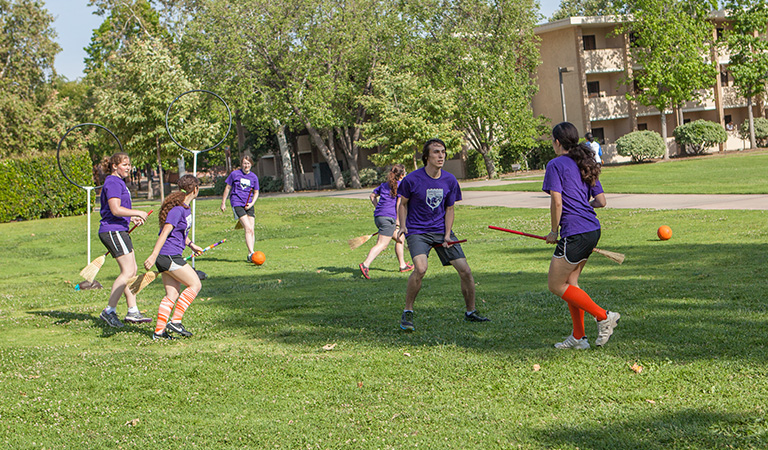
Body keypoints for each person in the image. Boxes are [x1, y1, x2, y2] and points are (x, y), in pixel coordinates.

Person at [397, 138, 489, 331]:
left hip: (441, 231)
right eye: (436, 152)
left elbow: (449, 209)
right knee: (420, 269)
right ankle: (408, 312)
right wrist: (403, 226)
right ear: (426, 156)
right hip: (418, 231)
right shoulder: (411, 179)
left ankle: (470, 312)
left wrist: (448, 235)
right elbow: (402, 203)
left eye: (443, 152)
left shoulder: (449, 180)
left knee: (465, 270)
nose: (441, 156)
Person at [544, 122, 619, 349]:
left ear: (557, 142)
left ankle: (603, 316)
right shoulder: (585, 162)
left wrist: (554, 231)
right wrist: (582, 205)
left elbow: (557, 201)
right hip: (592, 229)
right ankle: (579, 338)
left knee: (556, 285)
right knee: (571, 282)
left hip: (574, 231)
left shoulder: (555, 164)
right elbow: (601, 202)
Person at [144, 175, 205, 340]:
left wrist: (191, 245)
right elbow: (165, 232)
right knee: (195, 284)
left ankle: (158, 332)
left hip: (169, 256)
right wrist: (153, 255)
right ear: (195, 189)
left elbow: (180, 232)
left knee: (171, 295)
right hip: (168, 256)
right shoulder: (177, 210)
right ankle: (176, 321)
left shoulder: (185, 209)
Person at [98, 153, 151, 327]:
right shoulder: (112, 182)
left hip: (120, 229)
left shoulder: (119, 182)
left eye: (129, 165)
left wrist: (131, 219)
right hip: (112, 231)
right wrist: (137, 212)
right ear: (114, 166)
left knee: (132, 270)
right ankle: (109, 311)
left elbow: (120, 211)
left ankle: (133, 311)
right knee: (127, 272)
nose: (128, 167)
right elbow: (115, 209)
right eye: (125, 164)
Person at [359, 164, 413, 279]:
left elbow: (372, 196)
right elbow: (399, 204)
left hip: (379, 217)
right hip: (389, 218)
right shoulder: (400, 186)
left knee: (400, 239)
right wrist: (398, 221)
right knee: (382, 244)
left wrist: (378, 207)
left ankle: (402, 265)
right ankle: (365, 264)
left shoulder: (384, 185)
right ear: (402, 175)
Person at [220, 156, 259, 261]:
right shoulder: (235, 174)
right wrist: (223, 203)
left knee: (252, 229)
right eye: (244, 163)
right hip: (237, 202)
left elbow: (256, 192)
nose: (246, 166)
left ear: (251, 164)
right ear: (241, 164)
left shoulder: (254, 177)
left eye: (248, 163)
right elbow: (227, 188)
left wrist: (251, 204)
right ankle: (252, 253)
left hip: (249, 204)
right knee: (247, 228)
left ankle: (250, 252)